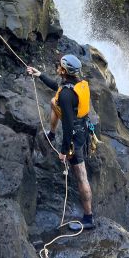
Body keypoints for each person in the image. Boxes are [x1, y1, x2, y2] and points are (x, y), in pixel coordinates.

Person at [27, 54, 95, 231]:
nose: (57, 66)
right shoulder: (77, 84)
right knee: (52, 101)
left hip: (75, 133)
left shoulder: (66, 95)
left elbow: (68, 126)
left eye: (59, 66)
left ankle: (88, 218)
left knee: (81, 174)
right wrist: (39, 74)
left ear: (64, 70)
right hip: (84, 128)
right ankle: (51, 132)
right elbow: (58, 88)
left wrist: (64, 151)